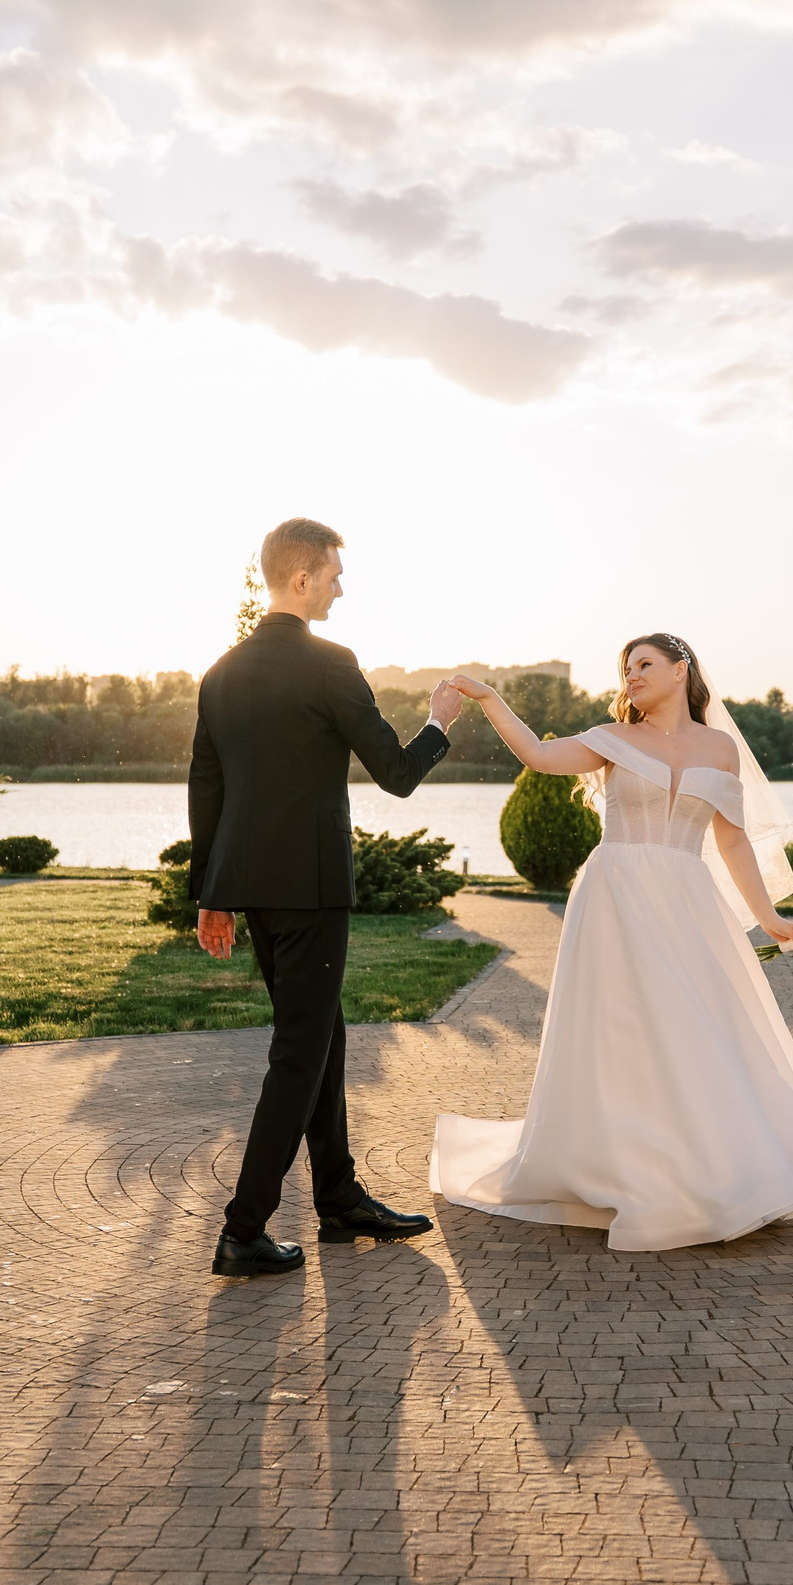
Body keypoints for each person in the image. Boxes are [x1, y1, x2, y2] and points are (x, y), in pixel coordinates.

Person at [429, 634, 793, 1250]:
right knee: (623, 1028)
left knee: (695, 1026)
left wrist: (769, 916)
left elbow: (732, 843)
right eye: (626, 669)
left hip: (687, 899)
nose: (631, 677)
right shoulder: (613, 740)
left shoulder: (721, 750)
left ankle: (708, 1168)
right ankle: (626, 1169)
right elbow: (537, 756)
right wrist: (491, 699)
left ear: (682, 670)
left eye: (644, 665)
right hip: (615, 896)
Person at [190, 517, 465, 1278]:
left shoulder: (219, 673)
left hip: (252, 894)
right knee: (300, 1052)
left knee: (324, 1037)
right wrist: (438, 721)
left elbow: (206, 791)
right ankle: (243, 1227)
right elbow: (398, 772)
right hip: (310, 893)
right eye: (335, 573)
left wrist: (211, 894)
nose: (342, 585)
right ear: (302, 578)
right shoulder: (331, 663)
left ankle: (340, 1200)